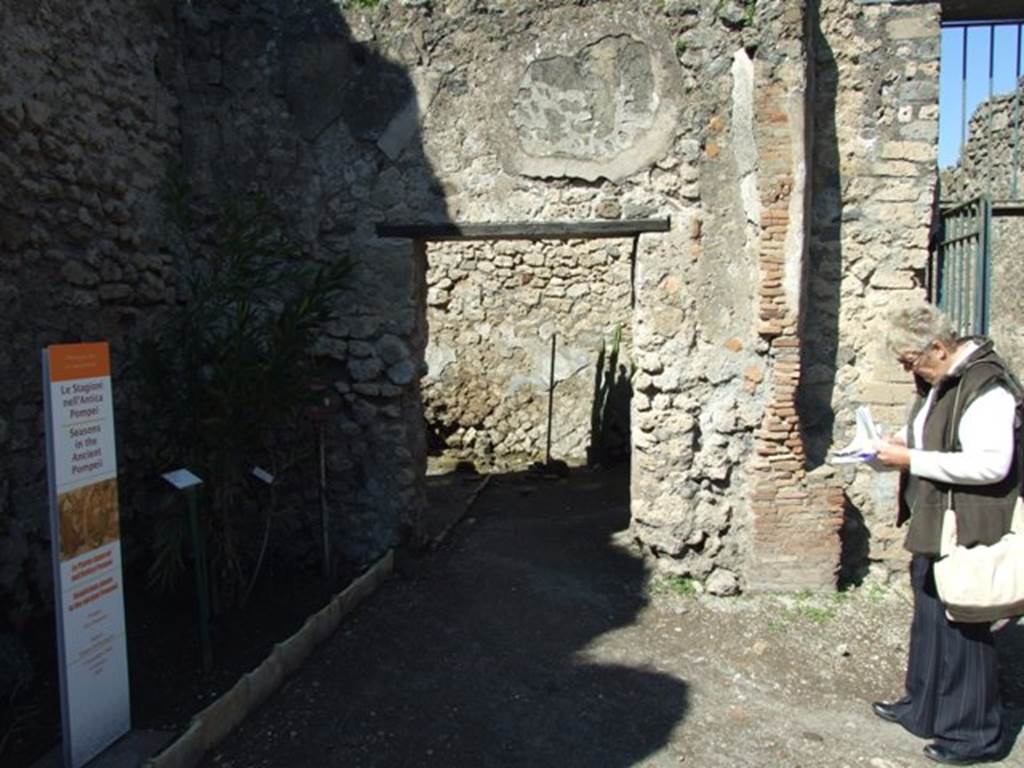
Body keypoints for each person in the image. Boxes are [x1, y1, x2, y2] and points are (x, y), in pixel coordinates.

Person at [870, 301, 1022, 766]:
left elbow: (991, 463)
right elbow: (933, 435)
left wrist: (911, 461)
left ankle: (973, 734)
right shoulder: (943, 382)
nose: (909, 370)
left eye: (911, 361)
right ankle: (925, 707)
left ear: (937, 346)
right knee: (930, 618)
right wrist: (902, 443)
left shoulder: (986, 387)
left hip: (971, 522)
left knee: (964, 625)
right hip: (937, 519)